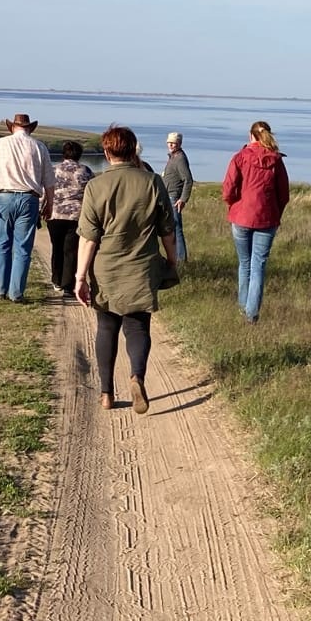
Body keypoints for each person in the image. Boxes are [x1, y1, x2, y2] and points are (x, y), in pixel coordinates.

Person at [75, 125, 178, 415]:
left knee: (106, 327)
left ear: (107, 153)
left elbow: (88, 238)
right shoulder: (153, 182)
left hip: (106, 268)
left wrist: (80, 276)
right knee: (137, 326)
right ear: (133, 150)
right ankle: (137, 377)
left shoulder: (96, 186)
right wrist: (172, 261)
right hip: (142, 267)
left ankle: (106, 393)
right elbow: (167, 230)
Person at [0, 112, 51, 302]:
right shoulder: (39, 146)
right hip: (29, 198)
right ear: (29, 128)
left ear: (12, 127)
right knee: (23, 248)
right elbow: (49, 180)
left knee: (2, 244)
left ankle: (1, 290)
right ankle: (16, 293)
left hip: (4, 196)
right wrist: (49, 202)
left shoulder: (1, 144)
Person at [222, 120, 290, 324]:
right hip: (267, 218)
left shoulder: (240, 157)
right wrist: (276, 211)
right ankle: (251, 314)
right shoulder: (276, 160)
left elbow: (228, 190)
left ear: (250, 135)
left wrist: (234, 205)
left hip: (241, 217)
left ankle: (244, 309)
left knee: (245, 264)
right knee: (258, 265)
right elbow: (283, 194)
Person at [45, 139, 93, 298]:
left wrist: (41, 210)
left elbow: (45, 191)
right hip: (76, 215)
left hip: (55, 214)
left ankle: (56, 279)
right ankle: (68, 285)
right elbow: (92, 193)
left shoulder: (53, 170)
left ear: (63, 154)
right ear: (79, 155)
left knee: (56, 247)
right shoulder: (85, 171)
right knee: (71, 250)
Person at [161, 132, 194, 262]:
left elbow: (188, 179)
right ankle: (178, 257)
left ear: (179, 144)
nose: (170, 145)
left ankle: (181, 258)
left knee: (176, 228)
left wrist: (183, 199)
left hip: (173, 197)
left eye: (173, 143)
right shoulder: (173, 157)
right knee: (172, 228)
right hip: (169, 196)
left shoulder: (179, 158)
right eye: (169, 142)